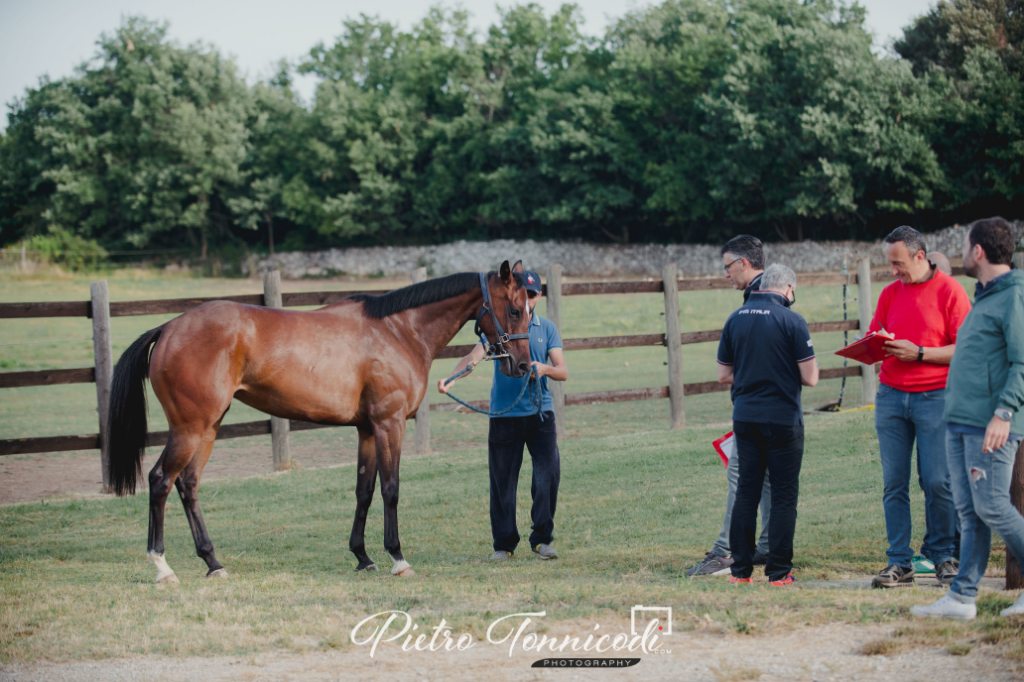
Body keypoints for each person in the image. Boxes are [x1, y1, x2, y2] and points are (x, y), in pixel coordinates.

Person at [912, 217, 1024, 620]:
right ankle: (961, 598)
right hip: (960, 421)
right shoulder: (986, 296)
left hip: (988, 425)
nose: (960, 252)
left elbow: (1021, 362)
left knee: (993, 506)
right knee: (970, 512)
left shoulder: (1014, 296)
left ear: (978, 251)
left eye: (964, 244)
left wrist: (1003, 412)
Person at [438, 265, 568, 561]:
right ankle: (504, 545)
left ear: (538, 296)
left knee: (548, 476)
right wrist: (451, 379)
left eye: (534, 295)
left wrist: (544, 369)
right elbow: (472, 357)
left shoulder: (546, 329)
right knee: (502, 483)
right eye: (526, 295)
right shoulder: (501, 328)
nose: (530, 300)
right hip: (504, 417)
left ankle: (542, 539)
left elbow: (563, 371)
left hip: (540, 414)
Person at [869, 226, 972, 588]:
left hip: (936, 398)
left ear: (919, 256)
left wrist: (921, 353)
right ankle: (899, 562)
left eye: (898, 263)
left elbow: (965, 348)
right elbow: (876, 333)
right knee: (893, 483)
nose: (893, 270)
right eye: (890, 264)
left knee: (937, 481)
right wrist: (872, 347)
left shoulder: (951, 291)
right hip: (891, 398)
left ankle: (943, 555)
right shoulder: (888, 293)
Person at [717, 264, 819, 585]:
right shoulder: (792, 320)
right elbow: (810, 377)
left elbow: (724, 374)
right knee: (784, 495)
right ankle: (778, 573)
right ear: (788, 289)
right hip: (783, 418)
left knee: (747, 491)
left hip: (746, 416)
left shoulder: (735, 318)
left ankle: (740, 572)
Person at [685, 235, 772, 576]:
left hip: (754, 405)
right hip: (771, 405)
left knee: (741, 475)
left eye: (728, 267)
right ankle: (765, 545)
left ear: (745, 264)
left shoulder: (754, 304)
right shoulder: (772, 294)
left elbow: (734, 368)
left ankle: (728, 551)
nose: (725, 274)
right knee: (763, 478)